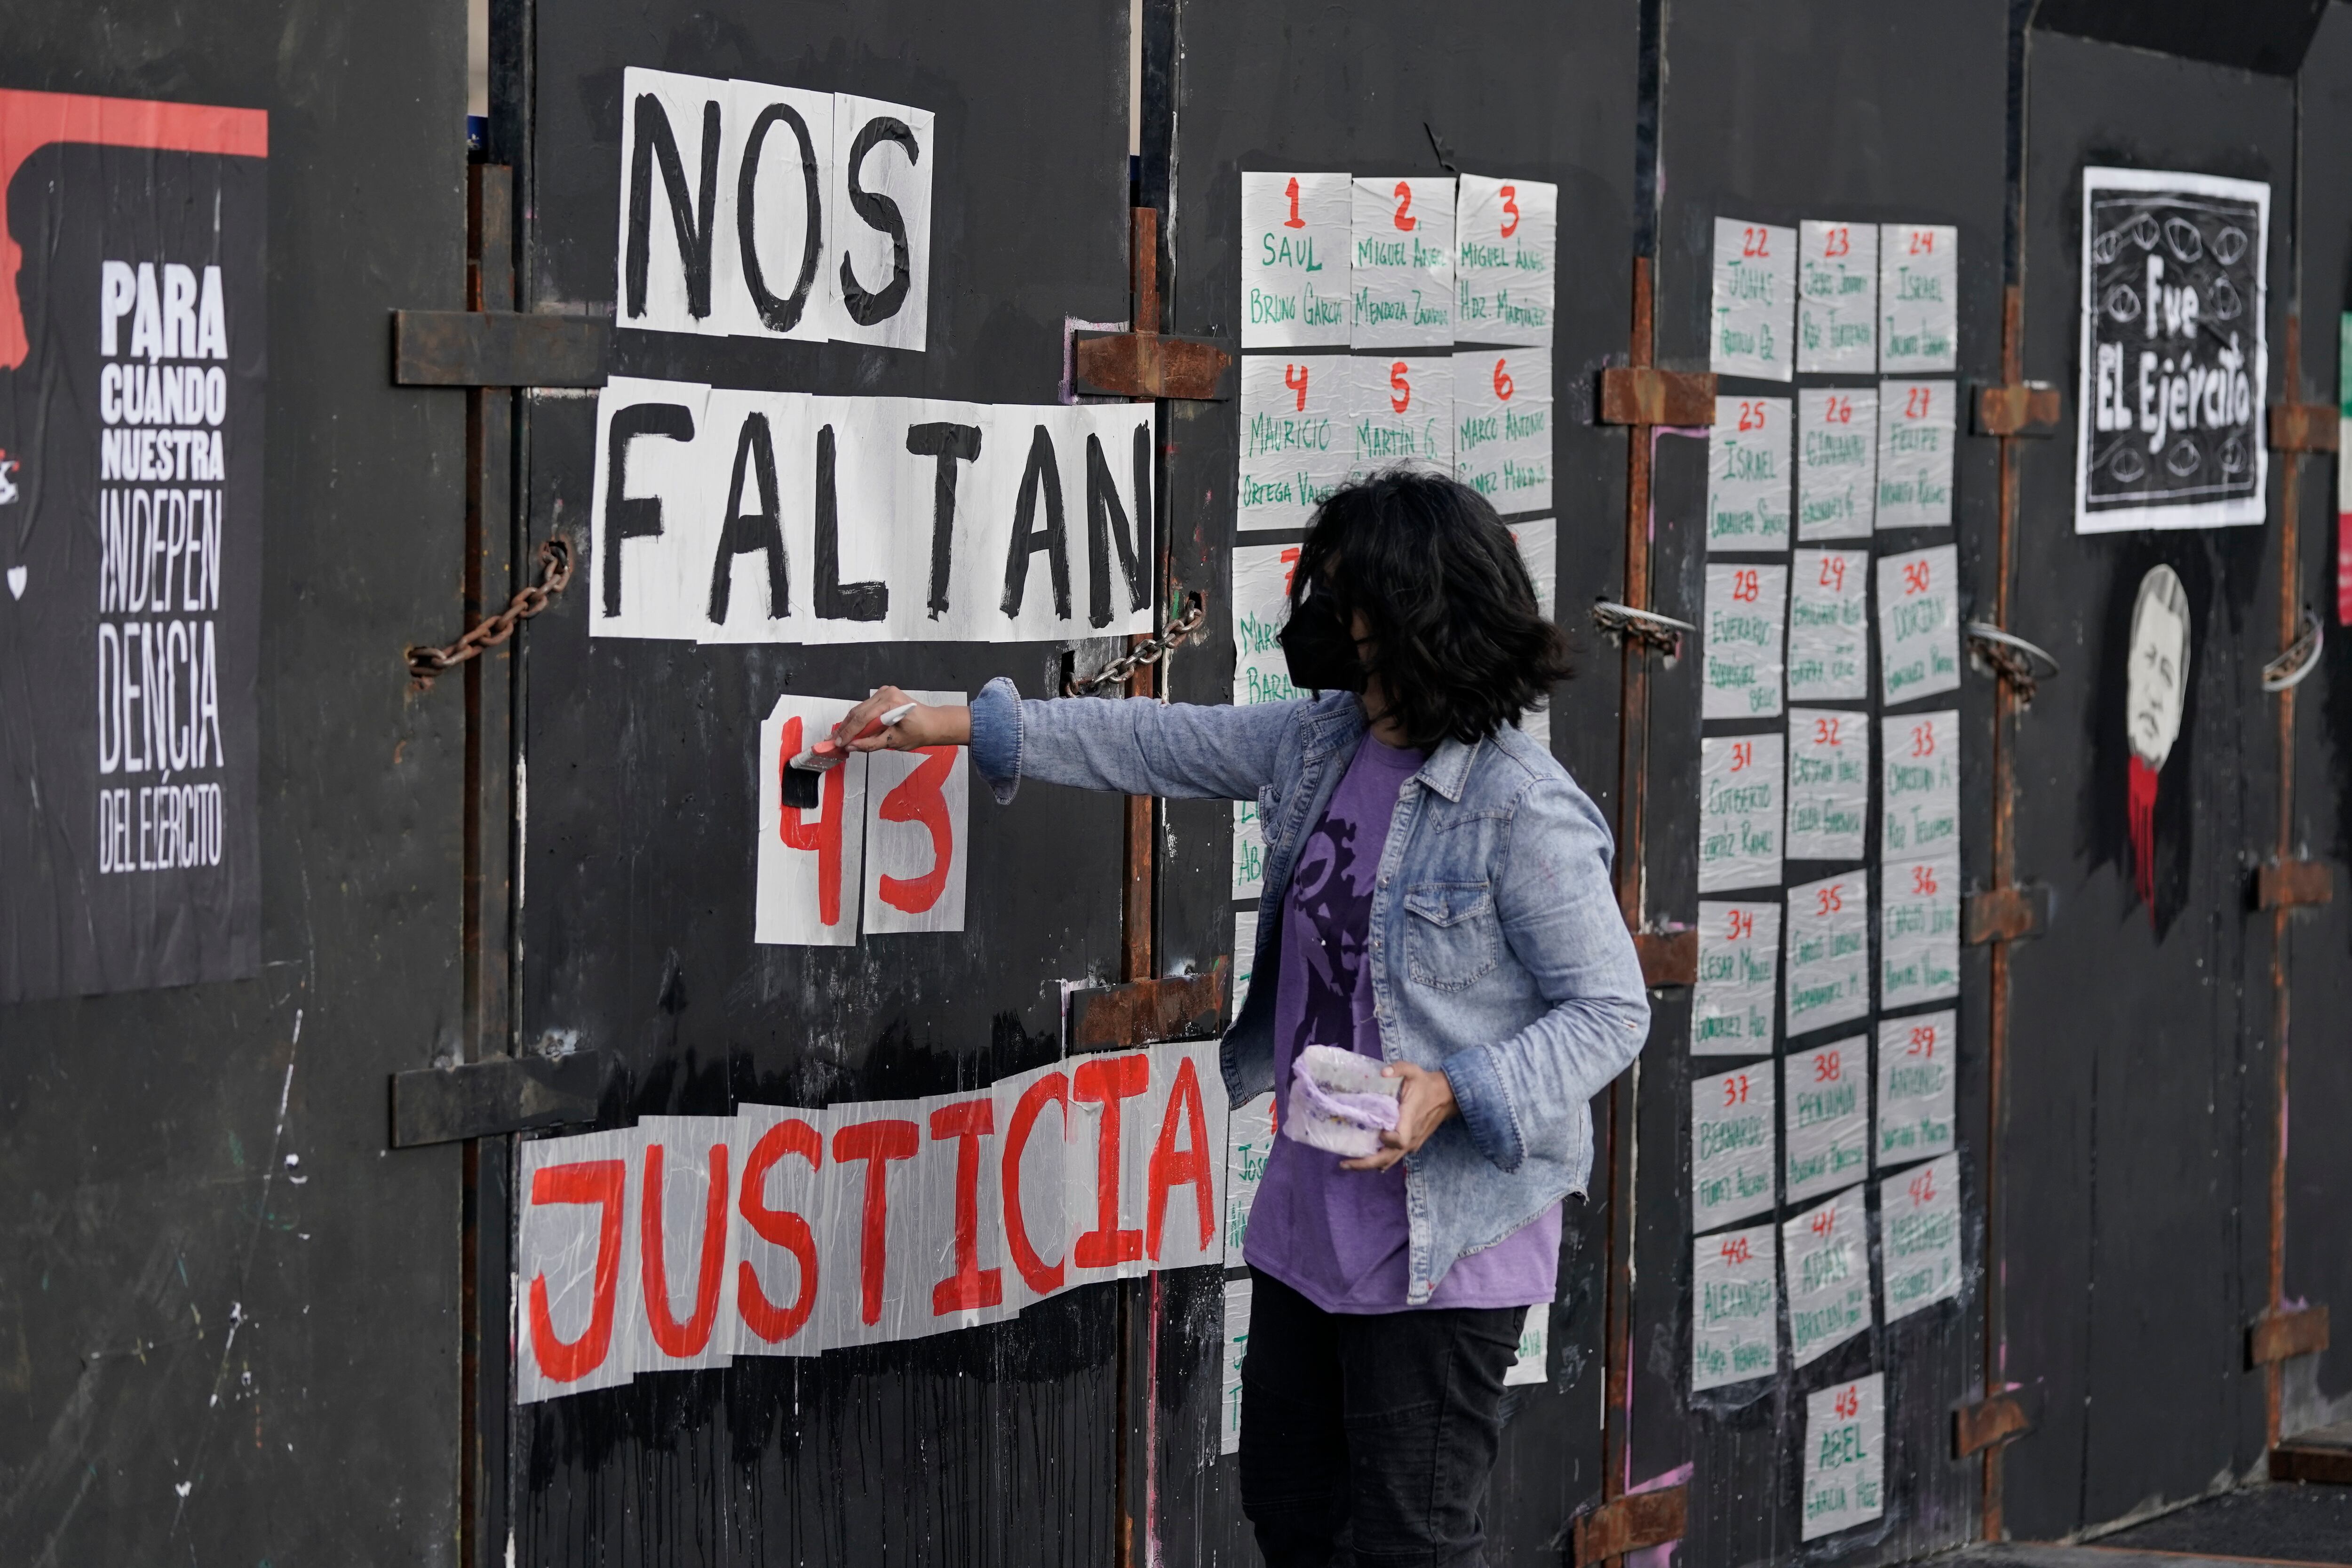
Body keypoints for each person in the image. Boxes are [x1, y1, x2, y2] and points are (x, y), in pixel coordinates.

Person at [828, 469, 1651, 1568]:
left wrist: (1451, 1088)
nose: (1325, 619)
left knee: (1410, 1544)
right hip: (1310, 1218)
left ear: (1411, 613)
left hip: (1443, 1240)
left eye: (1349, 598)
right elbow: (1156, 742)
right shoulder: (1320, 743)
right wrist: (939, 722)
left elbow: (1610, 1008)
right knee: (1291, 1512)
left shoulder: (1520, 804)